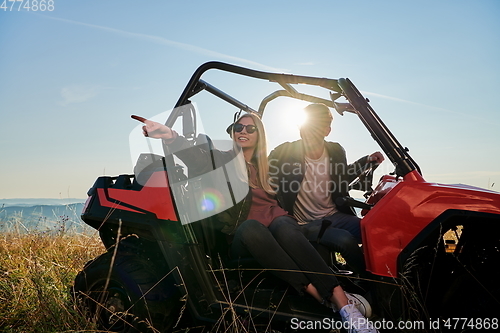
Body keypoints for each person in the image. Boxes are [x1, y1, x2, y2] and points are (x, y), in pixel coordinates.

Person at [140, 112, 378, 333]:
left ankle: (345, 307)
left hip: (278, 227)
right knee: (254, 228)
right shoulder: (223, 161)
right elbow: (198, 156)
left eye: (250, 128)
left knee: (284, 225)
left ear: (259, 135)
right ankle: (325, 297)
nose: (242, 130)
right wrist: (170, 136)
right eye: (237, 126)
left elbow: (327, 172)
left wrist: (364, 163)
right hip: (244, 236)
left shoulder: (270, 167)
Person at [268, 103, 385, 276]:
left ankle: (387, 274)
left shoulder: (335, 150)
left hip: (334, 215)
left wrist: (366, 160)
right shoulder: (283, 152)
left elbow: (343, 175)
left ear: (326, 131)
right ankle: (371, 284)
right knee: (345, 241)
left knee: (374, 231)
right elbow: (261, 169)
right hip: (304, 223)